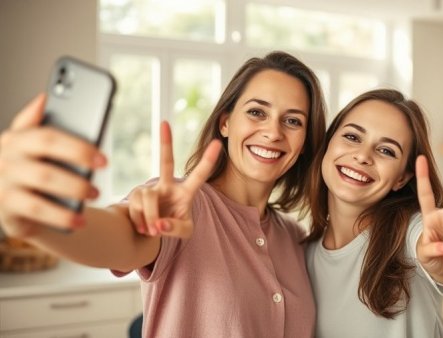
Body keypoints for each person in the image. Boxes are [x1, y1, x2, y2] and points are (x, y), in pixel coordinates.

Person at [0, 51, 327, 337]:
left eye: (293, 121)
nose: (273, 132)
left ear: (303, 145)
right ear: (226, 122)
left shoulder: (296, 238)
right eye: (257, 112)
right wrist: (36, 220)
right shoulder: (182, 206)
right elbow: (121, 238)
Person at [303, 88, 443, 338]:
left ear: (401, 178)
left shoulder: (409, 236)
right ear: (329, 144)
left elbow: (426, 248)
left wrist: (441, 261)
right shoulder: (302, 256)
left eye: (386, 151)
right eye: (352, 137)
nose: (362, 156)